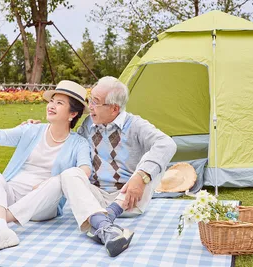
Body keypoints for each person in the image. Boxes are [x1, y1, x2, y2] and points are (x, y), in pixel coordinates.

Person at [25, 76, 177, 257]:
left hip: (129, 199)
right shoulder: (88, 124)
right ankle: (107, 227)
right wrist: (37, 130)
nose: (89, 107)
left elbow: (167, 144)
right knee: (70, 174)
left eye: (95, 102)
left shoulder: (136, 125)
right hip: (95, 198)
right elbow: (69, 144)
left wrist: (141, 176)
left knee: (152, 164)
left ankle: (100, 222)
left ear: (114, 108)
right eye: (90, 100)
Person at [0, 80, 107, 254]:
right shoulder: (31, 130)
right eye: (51, 101)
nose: (51, 106)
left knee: (59, 181)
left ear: (72, 114)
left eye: (59, 103)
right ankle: (1, 230)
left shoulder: (78, 143)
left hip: (43, 204)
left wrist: (51, 180)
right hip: (13, 195)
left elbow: (84, 170)